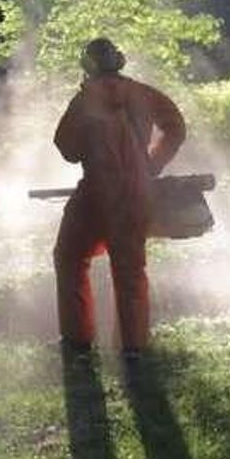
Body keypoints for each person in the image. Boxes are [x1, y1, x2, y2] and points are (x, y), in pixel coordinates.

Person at [53, 38, 185, 358]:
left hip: (95, 193)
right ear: (119, 60)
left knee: (69, 258)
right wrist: (153, 161)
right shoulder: (143, 92)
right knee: (130, 269)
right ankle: (133, 348)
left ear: (88, 64)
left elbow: (67, 149)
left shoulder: (84, 100)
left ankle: (78, 341)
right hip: (136, 193)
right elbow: (176, 127)